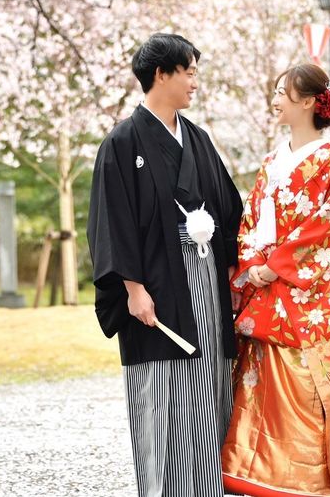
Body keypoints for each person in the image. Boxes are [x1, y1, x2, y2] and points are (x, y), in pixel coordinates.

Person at [88, 33, 243, 497]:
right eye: (189, 72)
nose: (195, 82)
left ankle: (211, 488)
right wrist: (132, 288)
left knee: (210, 380)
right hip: (154, 284)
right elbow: (112, 221)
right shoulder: (122, 142)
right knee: (163, 393)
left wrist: (231, 267)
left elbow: (227, 207)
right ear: (161, 74)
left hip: (205, 278)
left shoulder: (198, 138)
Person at [221, 63, 330, 497]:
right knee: (262, 386)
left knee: (308, 388)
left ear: (308, 101)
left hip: (310, 297)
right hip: (268, 288)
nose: (274, 100)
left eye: (281, 92)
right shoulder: (271, 162)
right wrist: (253, 262)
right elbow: (251, 220)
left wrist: (279, 265)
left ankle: (309, 483)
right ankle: (260, 477)